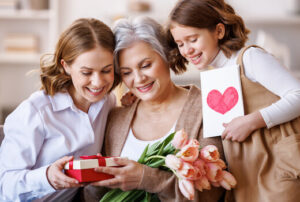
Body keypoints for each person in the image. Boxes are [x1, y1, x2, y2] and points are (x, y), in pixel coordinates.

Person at [166, 0, 300, 201]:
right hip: (246, 171)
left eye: (193, 39)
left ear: (219, 31)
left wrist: (252, 121)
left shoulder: (250, 58)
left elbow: (297, 95)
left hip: (277, 166)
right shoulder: (216, 76)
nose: (186, 50)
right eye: (180, 44)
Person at [83, 17, 226, 202]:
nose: (139, 78)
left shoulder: (208, 109)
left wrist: (146, 178)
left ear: (167, 56)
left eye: (146, 65)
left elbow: (211, 194)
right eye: (127, 72)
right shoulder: (116, 118)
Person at [0, 18, 120, 201]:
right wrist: (47, 177)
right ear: (66, 67)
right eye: (86, 72)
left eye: (106, 70)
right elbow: (4, 185)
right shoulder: (36, 111)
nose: (98, 82)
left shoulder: (108, 102)